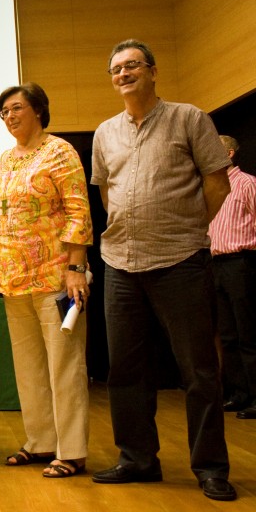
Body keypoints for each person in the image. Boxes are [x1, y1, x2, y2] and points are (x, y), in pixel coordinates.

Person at [91, 39, 235, 501]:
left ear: (153, 71)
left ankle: (210, 467)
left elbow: (217, 182)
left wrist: (189, 228)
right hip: (119, 262)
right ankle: (137, 459)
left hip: (180, 261)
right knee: (126, 370)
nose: (123, 74)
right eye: (116, 69)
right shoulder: (104, 132)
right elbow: (106, 193)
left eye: (132, 65)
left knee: (198, 370)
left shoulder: (189, 118)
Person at [0, 83, 92, 478]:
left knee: (64, 366)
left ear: (38, 110)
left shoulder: (59, 151)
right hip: (13, 278)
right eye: (4, 112)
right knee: (29, 368)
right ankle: (41, 442)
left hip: (57, 276)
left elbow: (78, 210)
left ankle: (72, 451)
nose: (10, 117)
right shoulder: (5, 158)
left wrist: (76, 267)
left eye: (16, 108)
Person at [209, 136, 256, 419]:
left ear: (228, 153)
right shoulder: (213, 185)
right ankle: (238, 393)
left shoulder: (248, 183)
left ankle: (255, 395)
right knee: (226, 335)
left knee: (247, 333)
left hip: (241, 263)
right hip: (215, 264)